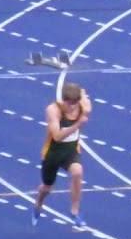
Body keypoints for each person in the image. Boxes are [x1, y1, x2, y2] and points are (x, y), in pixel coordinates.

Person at [31, 83, 91, 228]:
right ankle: (39, 202)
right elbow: (57, 136)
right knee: (47, 187)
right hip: (52, 153)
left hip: (71, 151)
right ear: (64, 100)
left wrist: (82, 93)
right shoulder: (53, 110)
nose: (72, 107)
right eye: (69, 104)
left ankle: (74, 212)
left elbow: (84, 95)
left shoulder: (84, 107)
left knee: (77, 172)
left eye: (75, 104)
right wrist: (77, 125)